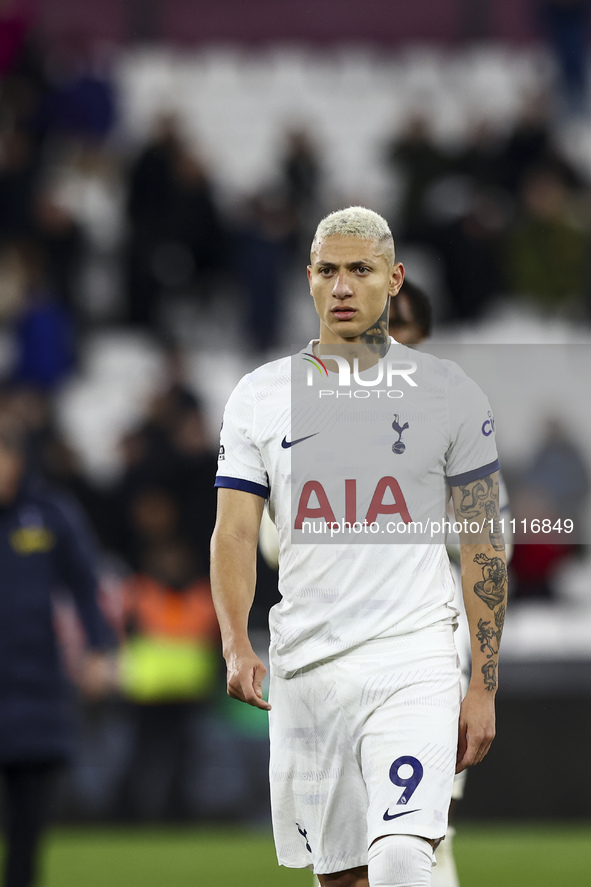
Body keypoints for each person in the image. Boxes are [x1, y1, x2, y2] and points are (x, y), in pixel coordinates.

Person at [210, 207, 507, 887]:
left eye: (360, 270)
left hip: (413, 659)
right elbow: (232, 530)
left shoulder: (449, 396)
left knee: (402, 854)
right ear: (307, 279)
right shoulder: (258, 396)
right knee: (343, 877)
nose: (342, 286)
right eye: (328, 270)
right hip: (309, 668)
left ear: (393, 279)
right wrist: (234, 640)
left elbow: (482, 544)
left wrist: (482, 683)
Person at [0, 415, 116, 887]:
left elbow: (87, 586)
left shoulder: (50, 514)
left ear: (17, 460)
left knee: (28, 828)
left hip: (35, 691)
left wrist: (98, 649)